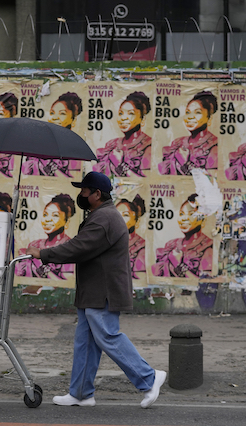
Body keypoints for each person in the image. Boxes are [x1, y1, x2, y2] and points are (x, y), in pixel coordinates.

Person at [25, 171, 165, 408]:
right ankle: (81, 393)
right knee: (86, 341)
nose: (81, 195)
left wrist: (44, 253)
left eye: (84, 191)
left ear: (97, 194)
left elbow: (78, 248)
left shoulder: (105, 218)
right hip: (93, 290)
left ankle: (149, 378)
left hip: (104, 291)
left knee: (108, 336)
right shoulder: (100, 215)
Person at [151, 194, 213, 278]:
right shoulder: (171, 244)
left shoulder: (207, 248)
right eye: (181, 214)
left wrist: (174, 260)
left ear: (203, 219)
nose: (184, 218)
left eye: (191, 214)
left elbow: (203, 284)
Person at [16, 194, 76, 280]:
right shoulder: (34, 244)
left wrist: (37, 261)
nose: (48, 219)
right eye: (45, 215)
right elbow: (21, 275)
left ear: (67, 220)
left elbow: (66, 281)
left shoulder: (69, 246)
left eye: (55, 215)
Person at [22, 92, 83, 177]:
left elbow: (72, 178)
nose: (54, 117)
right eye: (52, 113)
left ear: (73, 120)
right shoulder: (39, 145)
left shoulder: (75, 150)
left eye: (62, 113)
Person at [94, 92, 152, 178]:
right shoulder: (111, 144)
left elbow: (144, 181)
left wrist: (117, 162)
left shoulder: (148, 145)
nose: (123, 118)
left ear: (142, 119)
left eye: (130, 113)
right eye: (121, 113)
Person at [159, 91, 218, 175]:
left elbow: (211, 182)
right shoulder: (177, 143)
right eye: (188, 112)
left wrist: (183, 159)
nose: (190, 117)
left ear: (209, 118)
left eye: (197, 112)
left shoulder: (214, 145)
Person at [117, 195, 146, 279]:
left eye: (125, 215)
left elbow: (140, 277)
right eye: (117, 215)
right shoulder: (109, 241)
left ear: (135, 218)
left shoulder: (141, 246)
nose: (120, 219)